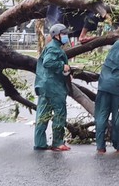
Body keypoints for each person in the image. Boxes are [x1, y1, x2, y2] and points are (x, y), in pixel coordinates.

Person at [34, 23, 72, 151]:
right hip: (54, 87)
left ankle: (39, 143)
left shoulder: (50, 46)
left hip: (44, 85)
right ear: (56, 36)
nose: (66, 36)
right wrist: (63, 66)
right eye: (64, 34)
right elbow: (48, 62)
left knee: (42, 115)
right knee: (59, 114)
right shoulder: (54, 48)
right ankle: (58, 142)